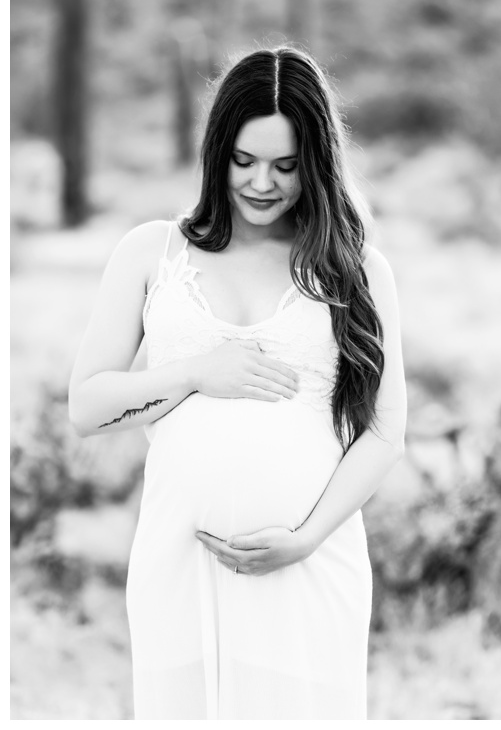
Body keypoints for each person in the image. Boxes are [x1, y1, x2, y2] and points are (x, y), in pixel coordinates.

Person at [68, 46, 406, 719]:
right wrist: (196, 372)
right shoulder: (150, 253)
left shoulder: (354, 267)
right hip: (178, 564)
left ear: (315, 163)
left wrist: (305, 539)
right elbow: (86, 406)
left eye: (284, 166)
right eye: (243, 161)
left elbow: (385, 433)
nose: (261, 183)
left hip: (308, 565)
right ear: (215, 152)